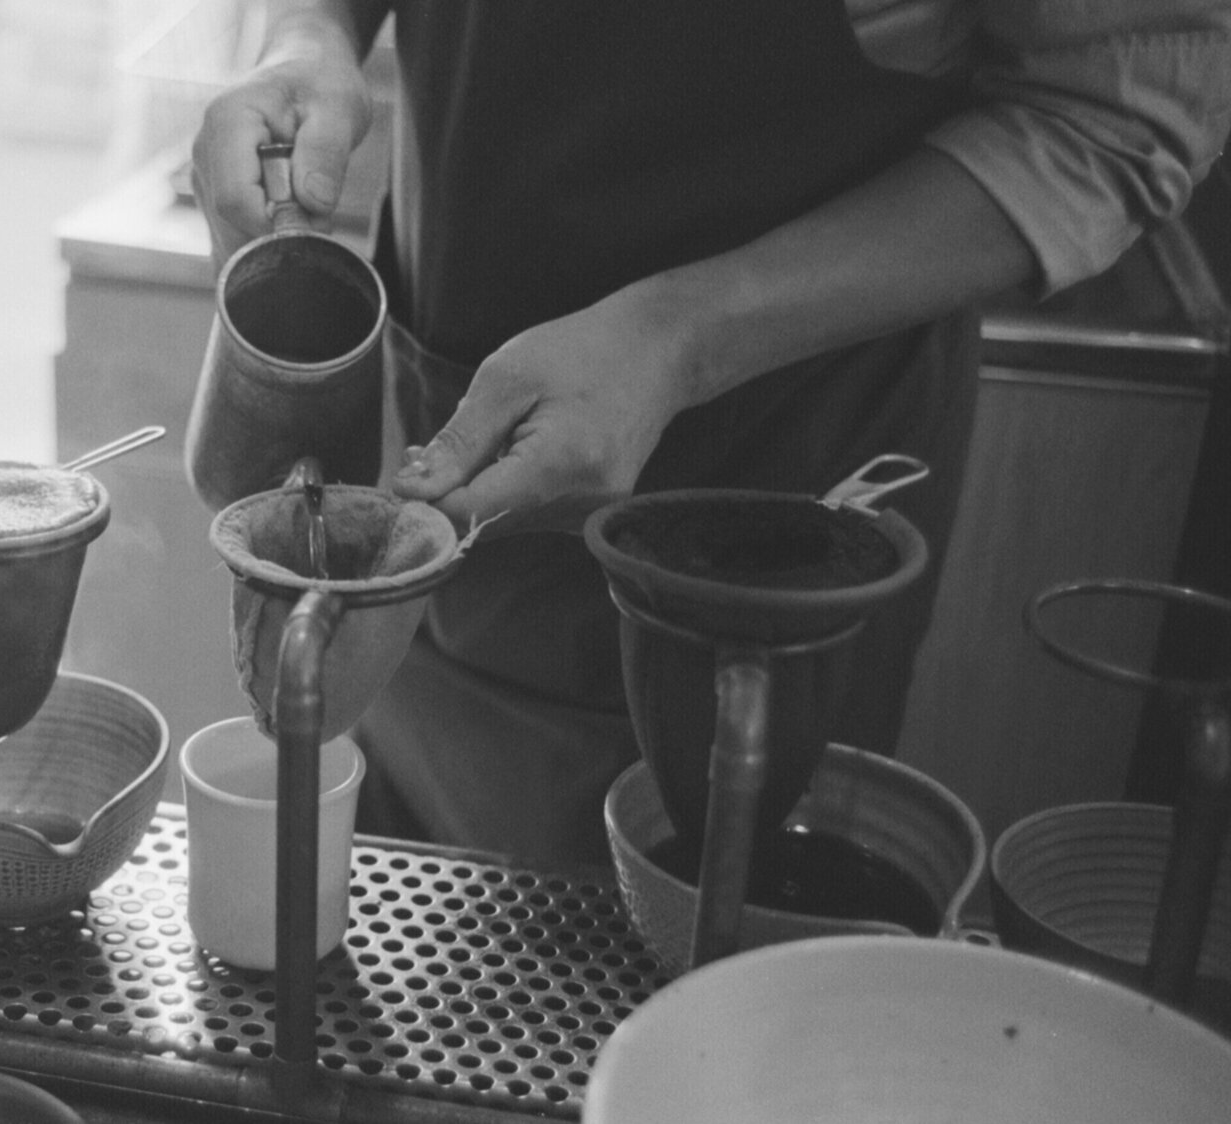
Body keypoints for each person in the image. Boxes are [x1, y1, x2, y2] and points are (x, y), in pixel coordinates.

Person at [188, 0, 1231, 868]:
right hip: (451, 377)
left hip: (766, 475)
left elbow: (1106, 115)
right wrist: (308, 38)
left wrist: (676, 340)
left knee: (691, 902)